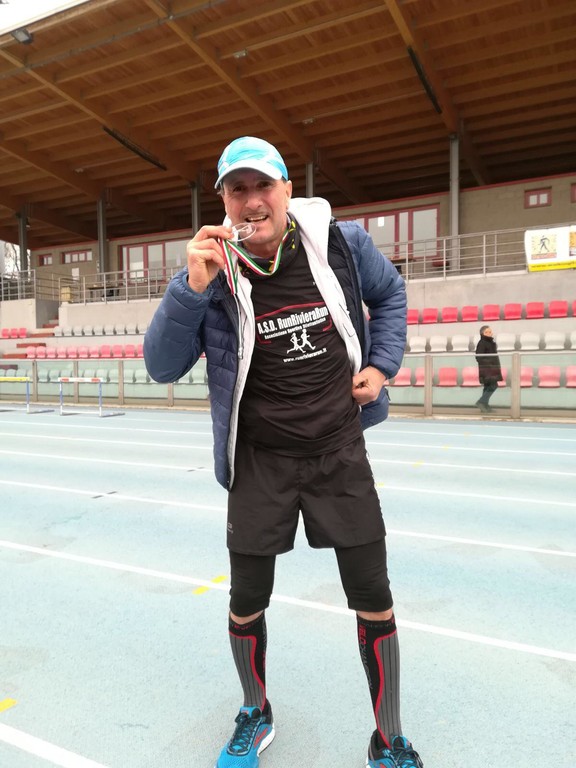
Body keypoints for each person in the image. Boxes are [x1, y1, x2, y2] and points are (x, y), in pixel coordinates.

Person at [143, 136, 423, 768]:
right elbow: (161, 366)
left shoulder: (341, 244)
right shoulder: (213, 270)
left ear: (288, 191)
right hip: (261, 461)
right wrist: (190, 288)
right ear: (223, 201)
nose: (252, 202)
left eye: (263, 186)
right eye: (237, 190)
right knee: (246, 600)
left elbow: (391, 294)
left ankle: (389, 738)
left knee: (373, 595)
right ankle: (255, 711)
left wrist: (382, 365)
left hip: (338, 451)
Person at [474, 325, 502, 412]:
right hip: (487, 369)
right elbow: (478, 357)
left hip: (492, 369)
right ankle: (481, 402)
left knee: (487, 387)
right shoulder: (482, 343)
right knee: (493, 385)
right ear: (482, 333)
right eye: (487, 332)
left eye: (490, 332)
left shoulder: (491, 343)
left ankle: (485, 406)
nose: (489, 333)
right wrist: (490, 364)